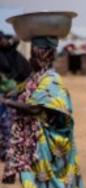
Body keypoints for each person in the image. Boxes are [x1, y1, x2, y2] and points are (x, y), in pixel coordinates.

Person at [0, 36, 86, 188]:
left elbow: (35, 107)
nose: (29, 59)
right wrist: (10, 95)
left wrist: (5, 102)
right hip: (34, 144)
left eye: (33, 55)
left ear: (43, 56)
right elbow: (19, 90)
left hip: (51, 145)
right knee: (34, 186)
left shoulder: (52, 80)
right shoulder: (36, 78)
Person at [0, 31, 30, 161]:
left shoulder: (9, 51)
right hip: (8, 90)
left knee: (10, 123)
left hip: (13, 88)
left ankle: (10, 151)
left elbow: (16, 38)